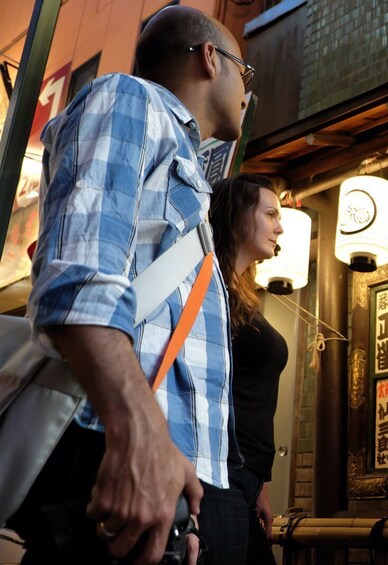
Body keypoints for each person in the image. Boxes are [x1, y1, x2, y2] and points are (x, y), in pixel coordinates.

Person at [7, 6, 254, 564]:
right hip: (116, 450)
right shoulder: (130, 100)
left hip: (168, 479)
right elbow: (81, 278)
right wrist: (138, 432)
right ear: (211, 58)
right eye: (247, 72)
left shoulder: (187, 163)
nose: (247, 92)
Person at [203, 173, 289, 564]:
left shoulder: (242, 295)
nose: (279, 226)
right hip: (218, 472)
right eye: (270, 213)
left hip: (245, 477)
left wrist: (262, 485)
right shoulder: (207, 285)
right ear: (239, 216)